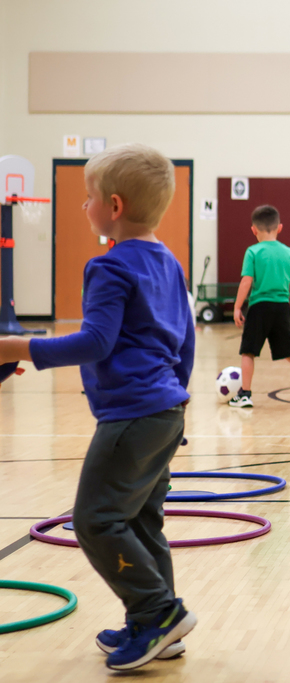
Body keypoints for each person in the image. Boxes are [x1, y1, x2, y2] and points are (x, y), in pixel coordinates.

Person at [0, 143, 197, 669]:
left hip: (133, 415)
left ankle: (157, 612)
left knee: (95, 519)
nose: (82, 207)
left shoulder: (107, 267)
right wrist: (177, 399)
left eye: (87, 198)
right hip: (165, 409)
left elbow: (94, 343)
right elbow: (186, 340)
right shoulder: (169, 262)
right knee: (141, 519)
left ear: (112, 205)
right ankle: (156, 627)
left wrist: (17, 347)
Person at [230, 205, 290, 407]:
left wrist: (238, 307)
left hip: (259, 307)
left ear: (253, 230)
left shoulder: (253, 252)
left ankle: (245, 394)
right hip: (282, 307)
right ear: (279, 228)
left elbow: (246, 281)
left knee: (248, 352)